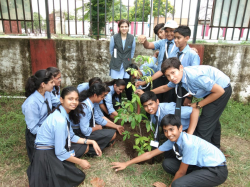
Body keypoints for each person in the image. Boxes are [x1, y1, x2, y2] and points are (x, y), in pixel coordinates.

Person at [111, 114, 228, 187]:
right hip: (200, 166)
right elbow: (150, 154)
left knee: (178, 184)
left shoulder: (188, 144)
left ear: (180, 128)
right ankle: (194, 178)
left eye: (172, 129)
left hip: (216, 171)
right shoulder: (173, 140)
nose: (169, 134)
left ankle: (194, 180)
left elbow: (181, 172)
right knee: (167, 163)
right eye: (166, 131)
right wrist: (126, 163)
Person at [141, 57, 232, 148]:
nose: (171, 78)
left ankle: (202, 152)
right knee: (212, 119)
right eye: (168, 75)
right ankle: (215, 147)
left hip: (221, 89)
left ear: (181, 68)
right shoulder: (178, 77)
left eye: (173, 73)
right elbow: (165, 88)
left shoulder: (194, 77)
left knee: (204, 126)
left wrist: (198, 104)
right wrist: (147, 94)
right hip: (210, 90)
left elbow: (219, 91)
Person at [27, 86, 102, 187]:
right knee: (76, 177)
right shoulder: (60, 120)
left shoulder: (63, 113)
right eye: (70, 99)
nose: (74, 102)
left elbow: (71, 137)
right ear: (61, 100)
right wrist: (80, 162)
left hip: (51, 150)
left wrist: (92, 141)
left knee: (77, 169)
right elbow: (60, 152)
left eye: (76, 99)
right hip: (45, 154)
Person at [72, 83, 122, 155]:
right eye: (102, 97)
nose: (103, 98)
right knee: (112, 134)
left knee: (111, 134)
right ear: (95, 95)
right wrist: (96, 128)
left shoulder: (93, 103)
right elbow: (85, 131)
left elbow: (99, 119)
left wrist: (116, 126)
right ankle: (87, 149)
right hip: (79, 133)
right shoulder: (84, 107)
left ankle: (89, 146)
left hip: (86, 130)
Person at [22, 69, 60, 162]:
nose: (54, 84)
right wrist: (50, 132)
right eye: (51, 82)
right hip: (36, 136)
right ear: (43, 84)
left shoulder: (47, 93)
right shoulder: (31, 104)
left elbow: (58, 102)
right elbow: (34, 129)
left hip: (47, 129)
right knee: (47, 162)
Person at [137, 20, 179, 103]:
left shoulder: (178, 44)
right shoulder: (162, 42)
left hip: (171, 77)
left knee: (168, 100)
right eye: (166, 31)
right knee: (156, 99)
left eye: (171, 31)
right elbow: (148, 45)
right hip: (159, 76)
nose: (169, 33)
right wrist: (144, 40)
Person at [109, 19, 136, 101]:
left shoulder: (132, 38)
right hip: (116, 65)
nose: (124, 28)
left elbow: (132, 51)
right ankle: (117, 103)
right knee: (117, 86)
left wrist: (126, 59)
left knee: (127, 84)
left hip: (126, 65)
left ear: (128, 27)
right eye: (122, 27)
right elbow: (112, 51)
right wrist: (117, 58)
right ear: (119, 28)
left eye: (126, 26)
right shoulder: (114, 38)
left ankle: (130, 101)